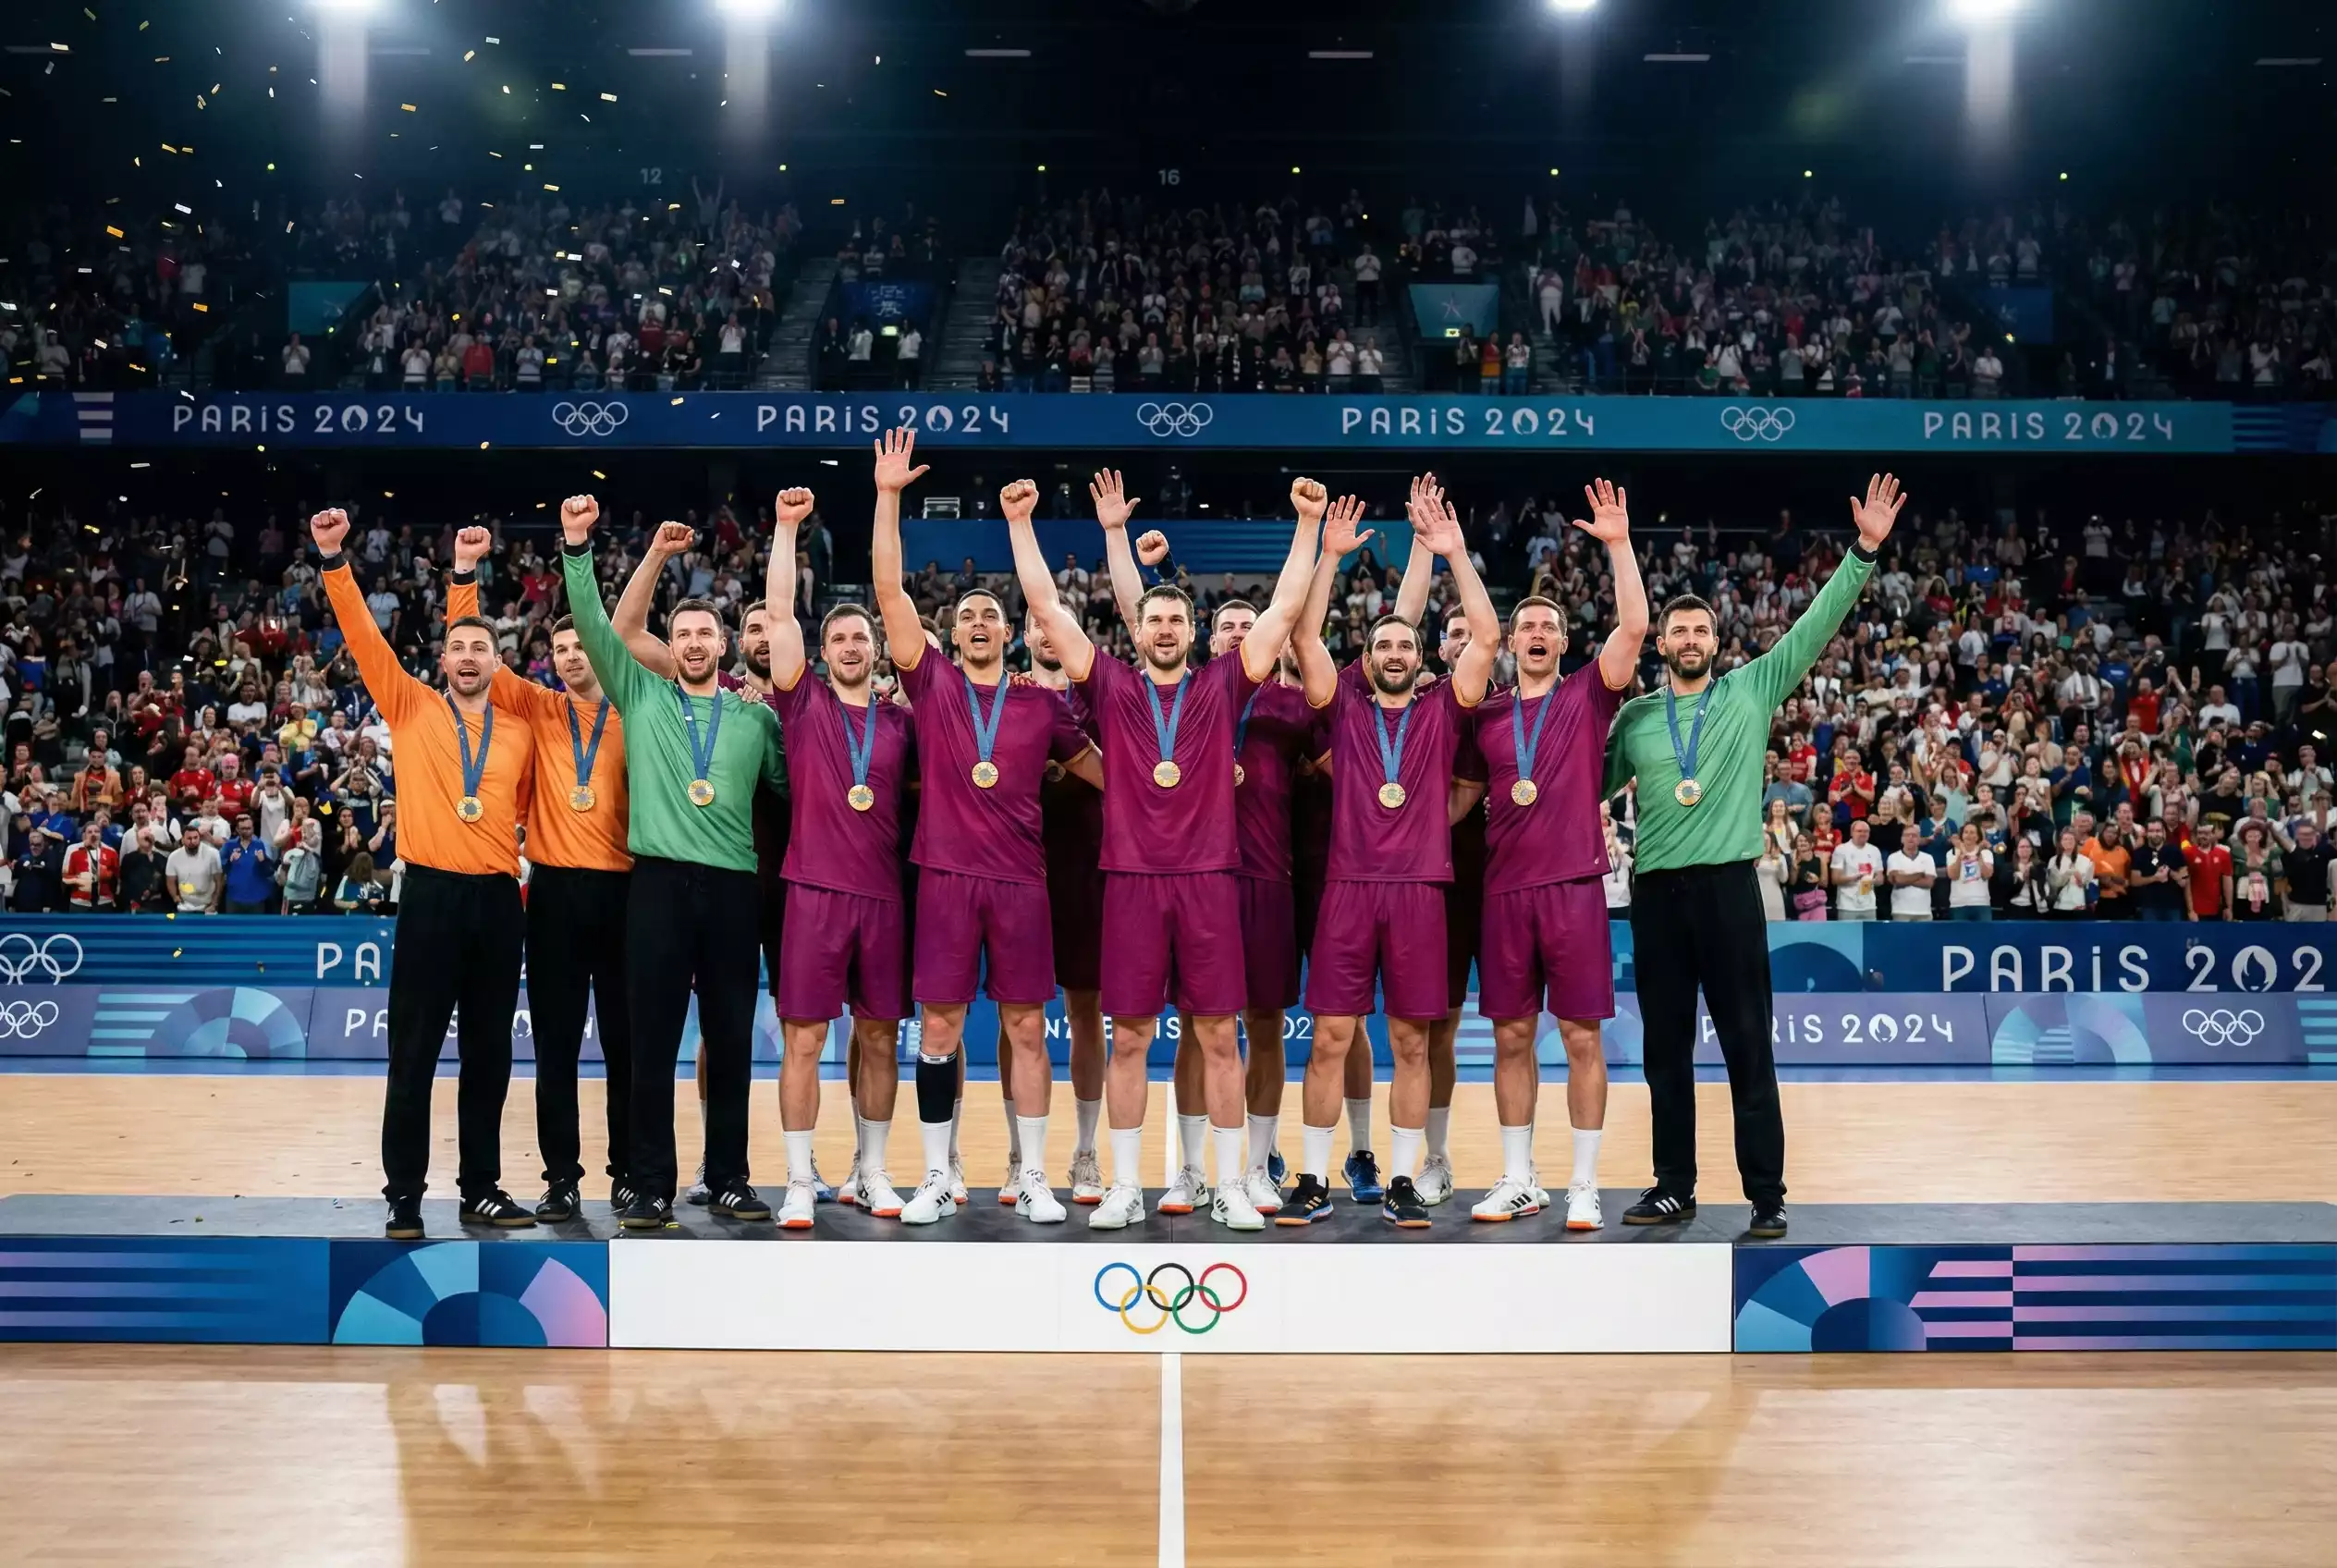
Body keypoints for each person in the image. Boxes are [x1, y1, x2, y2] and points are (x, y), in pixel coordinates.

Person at [1012, 468, 1318, 1232]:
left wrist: (1308, 526)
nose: (1167, 629)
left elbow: (1284, 610)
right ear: (1138, 630)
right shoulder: (1111, 686)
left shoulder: (1223, 685)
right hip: (1132, 883)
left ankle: (1231, 1183)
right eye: (1155, 620)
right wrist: (1021, 524)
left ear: (1192, 629)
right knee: (1131, 1039)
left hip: (1211, 881)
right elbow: (1047, 607)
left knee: (1219, 1035)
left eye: (1179, 619)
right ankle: (1125, 1185)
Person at [1604, 472, 1907, 1239]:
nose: (1690, 640)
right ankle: (1674, 1187)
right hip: (1656, 898)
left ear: (1716, 642)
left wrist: (1864, 551)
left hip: (1730, 893)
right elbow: (1582, 787)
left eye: (1700, 631)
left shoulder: (1752, 688)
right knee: (1664, 1052)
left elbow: (1815, 625)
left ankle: (1767, 1195)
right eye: (1678, 631)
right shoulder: (1635, 719)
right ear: (1661, 644)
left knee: (1747, 1048)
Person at [865, 430, 1102, 1227]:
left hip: (1021, 884)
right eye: (965, 614)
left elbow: (1112, 775)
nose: (976, 622)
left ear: (1008, 634)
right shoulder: (930, 683)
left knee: (1027, 1026)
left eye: (989, 616)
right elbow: (889, 592)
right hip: (944, 879)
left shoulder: (1042, 705)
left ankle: (1032, 1174)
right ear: (951, 631)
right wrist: (888, 496)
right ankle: (938, 1174)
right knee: (938, 1026)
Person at [559, 496, 788, 1230]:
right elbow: (598, 625)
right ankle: (651, 1184)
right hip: (656, 885)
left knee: (731, 1042)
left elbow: (790, 792)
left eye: (704, 634)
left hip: (733, 892)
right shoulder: (641, 694)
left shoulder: (757, 719)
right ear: (670, 643)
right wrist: (582, 547)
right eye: (682, 633)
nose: (693, 644)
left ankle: (728, 1177)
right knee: (652, 1044)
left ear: (724, 646)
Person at [312, 506, 539, 1240]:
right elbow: (362, 636)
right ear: (441, 662)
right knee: (411, 1054)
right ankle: (405, 1195)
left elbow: (529, 810)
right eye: (458, 648)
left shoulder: (519, 729)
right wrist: (334, 560)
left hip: (499, 901)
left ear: (498, 664)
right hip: (431, 897)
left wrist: (468, 575)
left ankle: (482, 1189)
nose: (469, 657)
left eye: (481, 649)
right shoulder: (409, 706)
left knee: (489, 1057)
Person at [1284, 473, 1500, 1229]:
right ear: (1368, 657)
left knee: (1412, 1041)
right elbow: (1303, 637)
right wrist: (1328, 557)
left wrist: (1453, 552)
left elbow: (1487, 636)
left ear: (1421, 656)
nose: (1397, 651)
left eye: (1407, 643)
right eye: (1383, 644)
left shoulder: (1445, 708)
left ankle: (1405, 1179)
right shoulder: (1343, 707)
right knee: (1330, 1039)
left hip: (1419, 892)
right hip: (1348, 889)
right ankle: (1313, 1178)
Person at [1462, 479, 1646, 1229]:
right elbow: (1456, 798)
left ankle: (1584, 1184)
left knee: (1579, 1037)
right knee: (1510, 1038)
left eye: (1548, 626)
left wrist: (1619, 545)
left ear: (1564, 643)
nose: (1536, 632)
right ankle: (1519, 1178)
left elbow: (1634, 627)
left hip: (1572, 888)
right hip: (1505, 893)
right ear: (1510, 643)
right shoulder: (1485, 714)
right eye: (1526, 625)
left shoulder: (1588, 696)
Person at [448, 524, 637, 1224]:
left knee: (624, 1046)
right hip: (553, 893)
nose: (570, 656)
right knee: (555, 1049)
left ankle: (628, 1175)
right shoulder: (536, 706)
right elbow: (469, 649)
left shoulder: (635, 710)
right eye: (559, 649)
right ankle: (562, 1179)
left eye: (580, 644)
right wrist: (464, 574)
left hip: (623, 892)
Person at [760, 485, 917, 1228]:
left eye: (862, 638)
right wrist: (786, 530)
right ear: (822, 654)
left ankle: (872, 1171)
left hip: (882, 897)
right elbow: (779, 615)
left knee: (880, 1037)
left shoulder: (902, 722)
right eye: (841, 639)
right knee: (804, 1038)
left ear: (876, 651)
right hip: (814, 892)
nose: (852, 647)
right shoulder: (802, 703)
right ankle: (799, 1178)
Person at [220, 814, 276, 913]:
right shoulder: (229, 845)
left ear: (253, 828)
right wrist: (230, 861)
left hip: (256, 897)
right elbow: (221, 868)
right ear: (237, 829)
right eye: (243, 828)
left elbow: (269, 872)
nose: (246, 831)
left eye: (249, 828)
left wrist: (263, 861)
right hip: (234, 896)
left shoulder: (260, 844)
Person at [1829, 819, 1884, 922]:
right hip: (1847, 905)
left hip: (1870, 905)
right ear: (1851, 833)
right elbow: (1835, 879)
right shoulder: (1841, 850)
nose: (1863, 834)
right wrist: (1854, 878)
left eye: (1866, 831)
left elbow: (1880, 878)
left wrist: (1874, 881)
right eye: (1859, 831)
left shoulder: (1875, 850)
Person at [1886, 823, 1937, 922]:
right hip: (1900, 911)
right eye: (1907, 835)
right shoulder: (1893, 857)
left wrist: (1905, 878)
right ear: (1902, 839)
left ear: (1919, 839)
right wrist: (1920, 875)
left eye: (1914, 835)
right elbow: (1897, 881)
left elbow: (1929, 883)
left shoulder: (1928, 858)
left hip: (1924, 912)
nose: (1910, 838)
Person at [1944, 822, 1995, 921]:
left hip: (1981, 903)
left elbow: (1987, 875)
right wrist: (1959, 857)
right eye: (1966, 832)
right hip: (1958, 904)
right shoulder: (1952, 853)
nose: (1968, 835)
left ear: (1977, 837)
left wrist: (1979, 857)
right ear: (1962, 835)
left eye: (1972, 832)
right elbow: (1953, 876)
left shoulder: (1986, 853)